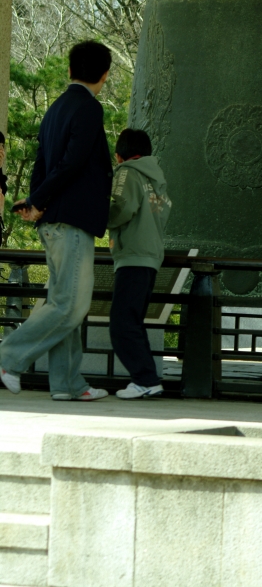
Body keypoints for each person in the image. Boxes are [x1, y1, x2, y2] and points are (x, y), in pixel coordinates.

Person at [0, 41, 113, 400]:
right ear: (105, 75)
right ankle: (7, 358)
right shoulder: (89, 109)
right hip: (72, 220)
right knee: (70, 305)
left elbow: (43, 163)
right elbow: (74, 162)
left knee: (63, 301)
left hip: (53, 220)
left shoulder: (55, 109)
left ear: (69, 70)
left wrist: (37, 202)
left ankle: (67, 384)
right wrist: (38, 199)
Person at [108, 128, 171, 400]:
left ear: (119, 155)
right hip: (150, 255)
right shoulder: (156, 178)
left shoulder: (126, 172)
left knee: (121, 323)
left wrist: (96, 219)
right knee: (133, 321)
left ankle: (145, 379)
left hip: (132, 255)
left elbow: (121, 207)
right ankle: (147, 378)